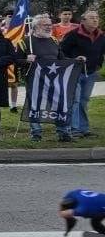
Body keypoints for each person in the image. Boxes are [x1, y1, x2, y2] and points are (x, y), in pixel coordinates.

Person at [24, 13, 72, 143]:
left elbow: (61, 58)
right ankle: (36, 133)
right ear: (35, 26)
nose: (49, 27)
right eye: (45, 25)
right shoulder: (25, 41)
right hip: (35, 80)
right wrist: (26, 60)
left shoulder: (53, 40)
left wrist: (75, 61)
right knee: (35, 105)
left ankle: (63, 133)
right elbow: (15, 60)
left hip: (55, 80)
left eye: (50, 25)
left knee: (59, 104)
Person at [62, 10, 105, 139]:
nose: (95, 20)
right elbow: (62, 52)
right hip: (74, 72)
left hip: (91, 73)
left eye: (97, 17)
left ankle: (84, 128)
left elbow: (102, 52)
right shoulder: (72, 35)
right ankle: (74, 129)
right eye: (91, 17)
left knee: (84, 100)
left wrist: (98, 64)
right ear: (83, 20)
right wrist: (74, 60)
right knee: (75, 100)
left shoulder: (101, 36)